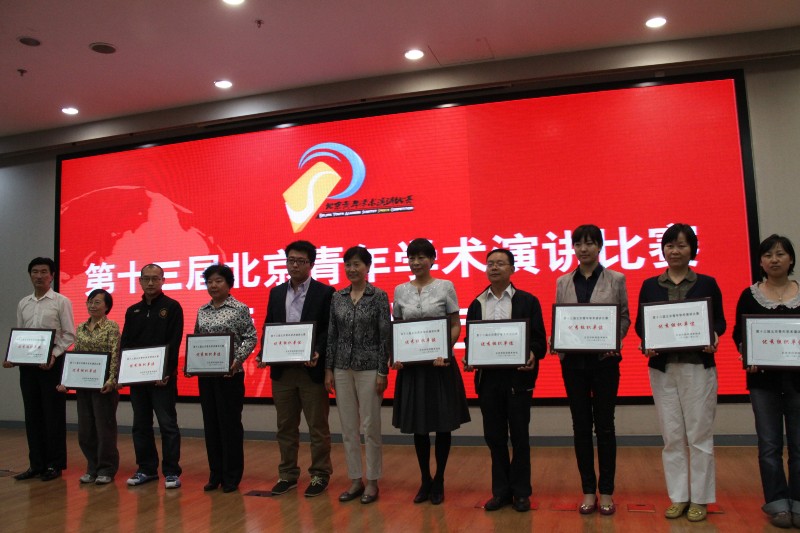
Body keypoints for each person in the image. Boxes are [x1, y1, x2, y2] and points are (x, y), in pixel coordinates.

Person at [635, 223, 725, 522]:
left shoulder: (707, 283)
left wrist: (712, 337)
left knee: (699, 435)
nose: (675, 251)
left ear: (692, 250)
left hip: (698, 367)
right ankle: (679, 497)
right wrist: (647, 342)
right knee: (672, 436)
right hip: (663, 369)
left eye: (682, 245)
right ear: (663, 249)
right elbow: (641, 324)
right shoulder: (650, 285)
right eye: (670, 245)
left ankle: (700, 498)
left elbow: (719, 322)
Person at [553, 225, 631, 515]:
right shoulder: (563, 281)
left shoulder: (616, 279)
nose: (583, 249)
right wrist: (556, 339)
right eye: (578, 244)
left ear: (600, 246)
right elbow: (561, 318)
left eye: (589, 243)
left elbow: (624, 317)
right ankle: (588, 490)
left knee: (606, 426)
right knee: (581, 427)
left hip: (604, 363)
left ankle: (606, 491)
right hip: (573, 365)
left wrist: (614, 340)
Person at [464, 248, 547, 513]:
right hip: (488, 380)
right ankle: (500, 492)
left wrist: (532, 353)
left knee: (520, 436)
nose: (494, 267)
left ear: (512, 269)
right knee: (494, 437)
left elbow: (539, 340)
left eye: (500, 263)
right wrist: (469, 357)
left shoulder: (528, 301)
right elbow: (471, 340)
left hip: (517, 379)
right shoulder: (477, 303)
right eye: (490, 263)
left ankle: (521, 492)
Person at [391, 238, 470, 505]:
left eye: (422, 257)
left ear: (432, 259)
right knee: (419, 427)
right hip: (413, 369)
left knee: (443, 425)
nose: (416, 262)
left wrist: (445, 350)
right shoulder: (400, 290)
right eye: (412, 257)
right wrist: (397, 355)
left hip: (440, 366)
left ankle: (440, 479)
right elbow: (398, 328)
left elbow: (455, 324)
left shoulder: (445, 286)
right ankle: (425, 479)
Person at [257, 240, 335, 497]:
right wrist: (264, 352)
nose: (295, 265)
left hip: (311, 370)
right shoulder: (276, 292)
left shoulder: (325, 293)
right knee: (285, 427)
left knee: (317, 427)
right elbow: (270, 325)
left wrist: (318, 351)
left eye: (301, 261)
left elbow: (328, 329)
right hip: (282, 372)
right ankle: (288, 474)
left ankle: (320, 474)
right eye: (291, 260)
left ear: (311, 264)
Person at [732, 234, 800, 529]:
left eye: (781, 254)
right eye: (768, 255)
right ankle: (777, 504)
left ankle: (798, 502)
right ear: (760, 261)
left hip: (798, 382)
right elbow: (739, 333)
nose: (774, 260)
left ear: (791, 259)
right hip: (763, 382)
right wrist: (749, 353)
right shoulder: (750, 295)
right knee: (769, 445)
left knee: (799, 445)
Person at [325, 246, 391, 505]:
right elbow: (332, 335)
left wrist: (383, 370)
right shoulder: (337, 297)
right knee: (348, 427)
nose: (351, 269)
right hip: (342, 368)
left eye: (356, 264)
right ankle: (355, 479)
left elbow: (385, 336)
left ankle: (372, 481)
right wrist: (328, 369)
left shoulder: (378, 296)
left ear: (367, 267)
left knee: (370, 426)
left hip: (370, 368)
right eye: (348, 265)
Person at [5, 257, 75, 481]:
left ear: (52, 276)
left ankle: (54, 464)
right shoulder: (23, 303)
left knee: (53, 415)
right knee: (32, 414)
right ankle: (36, 464)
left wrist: (53, 355)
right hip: (28, 368)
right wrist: (13, 357)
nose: (39, 276)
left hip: (52, 365)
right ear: (30, 275)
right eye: (35, 271)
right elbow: (20, 334)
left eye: (44, 271)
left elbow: (69, 335)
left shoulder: (61, 301)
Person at [191, 264, 257, 493]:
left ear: (229, 284)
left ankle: (231, 476)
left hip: (230, 375)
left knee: (229, 426)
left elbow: (250, 337)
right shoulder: (202, 310)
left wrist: (236, 361)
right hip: (207, 376)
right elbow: (197, 339)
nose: (213, 285)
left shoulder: (239, 308)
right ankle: (215, 474)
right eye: (209, 282)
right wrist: (193, 364)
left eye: (218, 281)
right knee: (211, 425)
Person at [120, 263, 184, 489]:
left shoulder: (172, 307)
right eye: (146, 278)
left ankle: (171, 472)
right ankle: (146, 469)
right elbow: (126, 343)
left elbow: (174, 342)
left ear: (163, 280)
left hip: (162, 379)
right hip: (138, 378)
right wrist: (124, 373)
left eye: (155, 278)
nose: (150, 283)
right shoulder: (133, 311)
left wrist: (167, 371)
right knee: (140, 424)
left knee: (167, 424)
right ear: (139, 281)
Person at [57, 289, 121, 485]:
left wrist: (112, 380)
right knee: (85, 430)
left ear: (107, 307)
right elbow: (76, 356)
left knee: (104, 430)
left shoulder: (111, 327)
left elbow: (115, 354)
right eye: (90, 302)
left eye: (97, 302)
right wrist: (67, 380)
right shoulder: (81, 327)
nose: (92, 305)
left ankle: (106, 468)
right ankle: (92, 467)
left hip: (104, 387)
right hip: (84, 386)